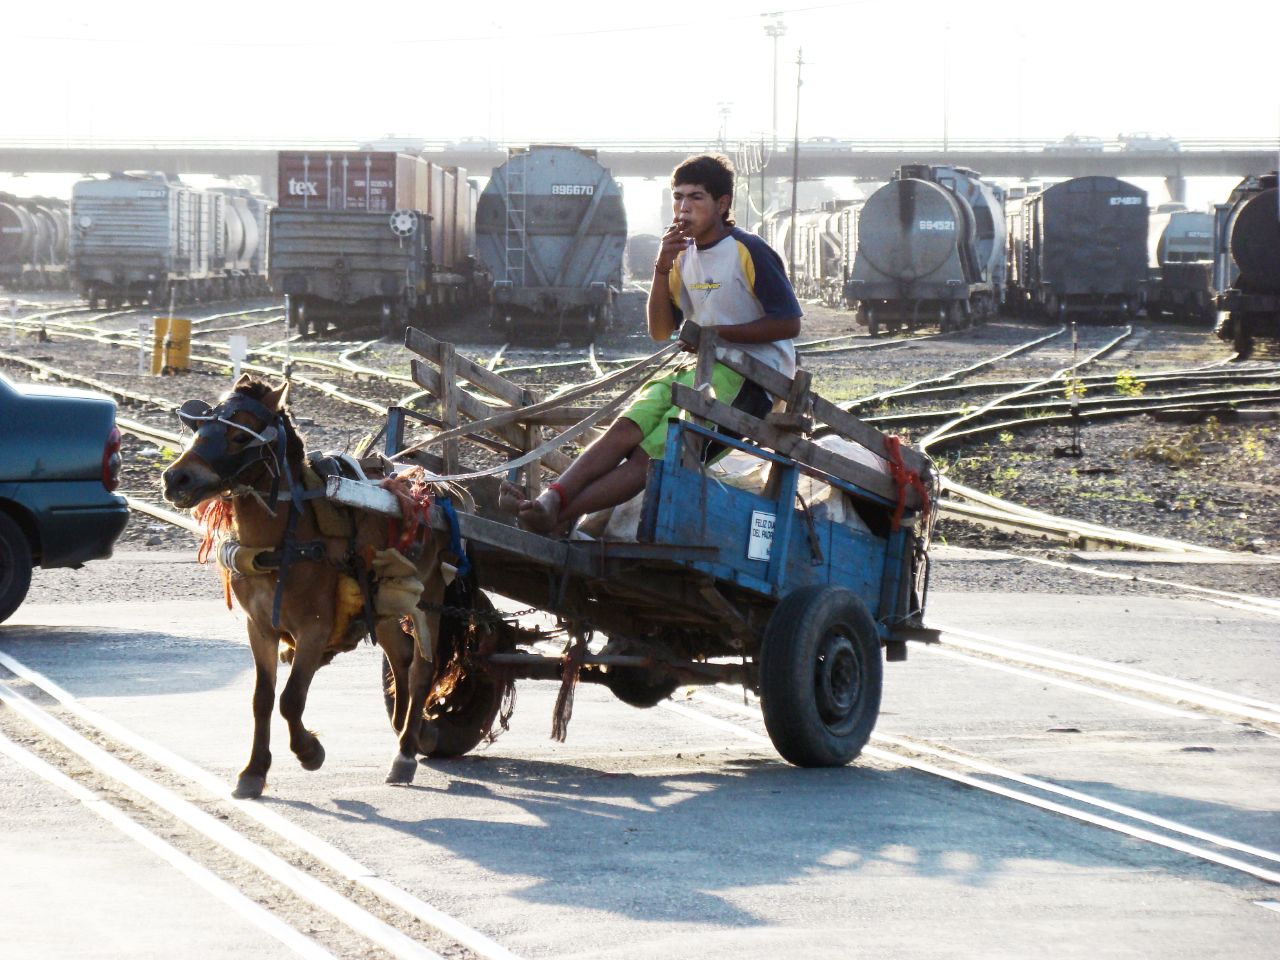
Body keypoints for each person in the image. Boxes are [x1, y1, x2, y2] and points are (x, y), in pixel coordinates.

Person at [501, 153, 802, 535]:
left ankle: (557, 515)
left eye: (696, 198)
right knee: (625, 428)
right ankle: (550, 500)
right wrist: (661, 266)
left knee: (651, 456)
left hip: (753, 379)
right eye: (678, 197)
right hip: (699, 371)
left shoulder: (747, 249)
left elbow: (788, 322)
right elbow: (660, 330)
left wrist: (715, 336)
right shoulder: (680, 258)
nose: (683, 207)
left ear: (722, 204)